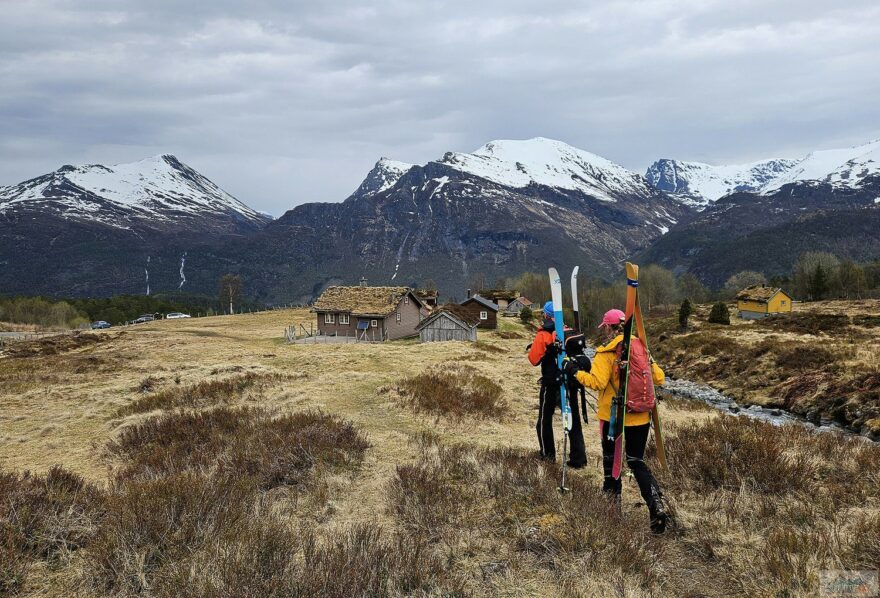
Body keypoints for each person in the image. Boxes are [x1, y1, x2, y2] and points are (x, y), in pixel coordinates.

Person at [565, 308, 668, 533]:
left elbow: (597, 382)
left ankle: (612, 510)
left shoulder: (607, 352)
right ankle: (656, 504)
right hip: (640, 416)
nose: (605, 332)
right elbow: (659, 378)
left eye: (606, 327)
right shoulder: (640, 347)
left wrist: (573, 371)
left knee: (612, 463)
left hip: (613, 418)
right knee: (636, 461)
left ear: (611, 327)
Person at [527, 301, 587, 467]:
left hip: (551, 383)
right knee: (573, 418)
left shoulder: (544, 334)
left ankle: (548, 456)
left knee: (544, 421)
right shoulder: (568, 331)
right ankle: (579, 459)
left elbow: (533, 359)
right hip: (571, 382)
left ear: (546, 315)